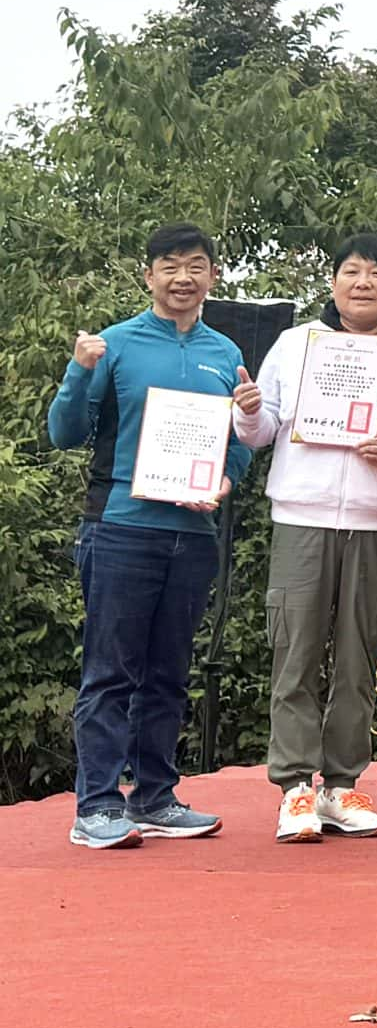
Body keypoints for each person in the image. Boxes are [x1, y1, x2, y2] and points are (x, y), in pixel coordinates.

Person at [49, 224, 254, 850]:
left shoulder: (226, 353)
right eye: (170, 265)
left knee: (168, 674)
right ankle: (98, 806)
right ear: (150, 276)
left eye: (196, 265)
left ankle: (156, 798)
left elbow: (238, 446)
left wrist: (223, 479)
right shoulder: (111, 345)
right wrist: (77, 371)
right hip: (119, 528)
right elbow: (65, 432)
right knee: (111, 673)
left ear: (213, 278)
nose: (183, 277)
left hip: (192, 534)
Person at [231, 232, 377, 843]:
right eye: (350, 271)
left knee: (360, 655)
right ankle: (294, 789)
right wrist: (248, 409)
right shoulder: (295, 344)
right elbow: (261, 432)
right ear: (334, 281)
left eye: (376, 273)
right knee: (295, 650)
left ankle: (342, 787)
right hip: (302, 513)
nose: (362, 282)